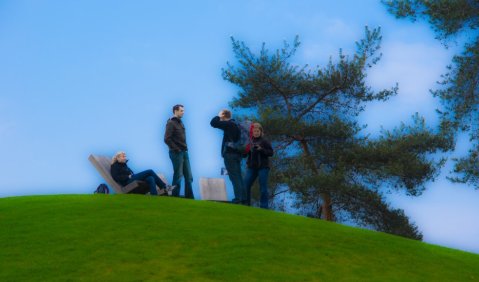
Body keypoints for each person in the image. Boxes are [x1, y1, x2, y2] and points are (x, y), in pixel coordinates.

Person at [210, 109, 247, 204]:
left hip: (230, 154)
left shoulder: (228, 124)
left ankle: (238, 199)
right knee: (238, 176)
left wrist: (218, 115)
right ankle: (243, 199)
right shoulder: (235, 124)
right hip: (237, 154)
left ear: (223, 115)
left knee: (234, 177)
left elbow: (213, 123)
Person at [164, 104, 194, 199]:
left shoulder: (181, 122)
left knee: (189, 177)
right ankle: (175, 197)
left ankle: (189, 198)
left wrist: (184, 150)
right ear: (175, 111)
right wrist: (176, 149)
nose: (183, 112)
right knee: (178, 175)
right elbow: (167, 139)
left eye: (183, 110)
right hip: (176, 153)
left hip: (185, 152)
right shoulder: (171, 123)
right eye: (181, 110)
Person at [243, 123, 274, 209]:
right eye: (254, 131)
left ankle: (264, 207)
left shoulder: (264, 141)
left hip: (263, 167)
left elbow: (271, 153)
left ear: (261, 132)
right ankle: (246, 204)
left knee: (263, 187)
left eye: (257, 131)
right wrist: (245, 151)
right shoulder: (249, 142)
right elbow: (244, 155)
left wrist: (261, 149)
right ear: (252, 132)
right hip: (251, 167)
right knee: (245, 184)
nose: (256, 132)